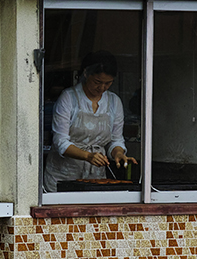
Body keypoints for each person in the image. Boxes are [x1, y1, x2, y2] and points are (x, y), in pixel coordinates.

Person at [43, 50, 138, 191]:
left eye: (108, 83)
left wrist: (118, 154)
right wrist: (87, 156)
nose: (102, 88)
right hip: (63, 174)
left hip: (95, 176)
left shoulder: (114, 102)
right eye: (97, 82)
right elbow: (60, 141)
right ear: (86, 73)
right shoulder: (69, 98)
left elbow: (115, 139)